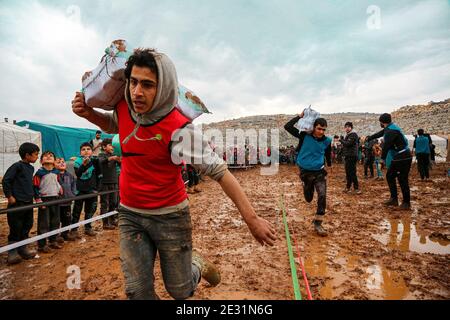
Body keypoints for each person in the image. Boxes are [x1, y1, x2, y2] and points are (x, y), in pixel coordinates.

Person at [71, 48, 276, 300]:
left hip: (170, 216)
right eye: (133, 82)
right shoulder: (125, 105)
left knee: (180, 290)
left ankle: (196, 266)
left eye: (147, 85)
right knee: (137, 292)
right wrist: (89, 114)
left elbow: (221, 172)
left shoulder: (180, 129)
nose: (137, 92)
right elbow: (115, 124)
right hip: (130, 214)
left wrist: (252, 220)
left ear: (164, 87)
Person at [284, 113, 332, 237]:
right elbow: (287, 126)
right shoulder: (304, 136)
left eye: (323, 129)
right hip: (305, 171)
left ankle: (318, 222)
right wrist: (299, 116)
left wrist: (330, 166)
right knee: (309, 198)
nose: (321, 132)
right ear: (313, 127)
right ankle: (306, 185)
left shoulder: (327, 141)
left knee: (322, 194)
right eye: (319, 128)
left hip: (320, 171)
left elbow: (327, 153)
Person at [2, 143, 40, 264]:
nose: (37, 157)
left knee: (27, 225)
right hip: (17, 203)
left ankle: (23, 248)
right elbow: (6, 180)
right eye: (35, 154)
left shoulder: (31, 168)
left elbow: (31, 184)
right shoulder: (17, 166)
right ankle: (12, 252)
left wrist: (35, 197)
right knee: (16, 227)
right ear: (27, 155)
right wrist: (9, 196)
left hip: (28, 202)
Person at [366, 113, 412, 210]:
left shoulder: (391, 131)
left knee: (402, 179)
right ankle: (394, 199)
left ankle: (406, 203)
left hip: (403, 156)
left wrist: (382, 160)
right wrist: (369, 138)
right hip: (400, 156)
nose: (380, 124)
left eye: (380, 122)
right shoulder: (390, 128)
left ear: (382, 122)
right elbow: (380, 133)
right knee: (390, 176)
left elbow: (386, 146)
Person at [33, 151, 64, 252]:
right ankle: (42, 245)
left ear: (54, 161)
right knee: (44, 222)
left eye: (51, 155)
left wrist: (60, 188)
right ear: (41, 161)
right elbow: (35, 187)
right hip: (44, 199)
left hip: (55, 198)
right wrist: (38, 199)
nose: (48, 157)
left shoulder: (56, 172)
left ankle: (53, 240)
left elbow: (57, 182)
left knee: (55, 220)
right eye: (45, 156)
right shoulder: (39, 173)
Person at [71, 142, 102, 238]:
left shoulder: (96, 161)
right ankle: (73, 229)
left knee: (90, 210)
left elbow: (99, 175)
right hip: (80, 190)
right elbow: (79, 174)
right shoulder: (77, 162)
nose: (86, 151)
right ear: (80, 152)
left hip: (92, 190)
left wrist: (97, 189)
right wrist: (84, 165)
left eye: (88, 149)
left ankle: (88, 227)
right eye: (83, 149)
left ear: (92, 151)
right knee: (76, 211)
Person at [98, 138, 121, 229]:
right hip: (104, 183)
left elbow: (120, 165)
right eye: (110, 145)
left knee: (114, 202)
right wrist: (112, 158)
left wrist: (119, 161)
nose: (112, 147)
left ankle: (112, 219)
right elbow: (101, 161)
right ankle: (105, 223)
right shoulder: (101, 155)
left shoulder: (114, 155)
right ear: (104, 147)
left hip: (114, 182)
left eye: (113, 145)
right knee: (105, 203)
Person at [55, 157, 77, 241]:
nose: (61, 163)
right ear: (53, 165)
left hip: (67, 202)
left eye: (63, 162)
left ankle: (65, 234)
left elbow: (73, 186)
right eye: (58, 162)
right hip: (57, 203)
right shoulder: (54, 175)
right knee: (56, 221)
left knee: (67, 219)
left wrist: (72, 195)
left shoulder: (70, 175)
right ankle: (55, 236)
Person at [340, 122, 361, 194]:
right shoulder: (348, 135)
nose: (347, 128)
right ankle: (348, 187)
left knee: (352, 172)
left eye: (348, 127)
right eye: (346, 127)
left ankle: (356, 188)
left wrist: (341, 140)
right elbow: (345, 145)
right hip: (348, 156)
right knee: (348, 173)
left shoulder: (353, 134)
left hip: (351, 156)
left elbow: (348, 144)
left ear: (351, 128)